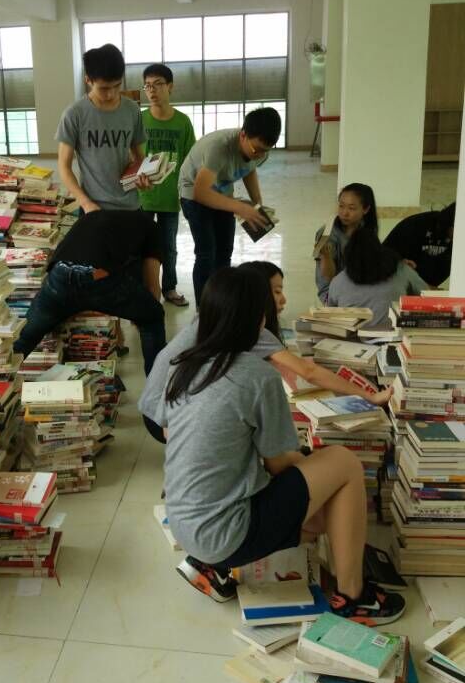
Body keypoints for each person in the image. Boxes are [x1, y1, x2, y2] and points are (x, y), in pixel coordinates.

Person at [162, 266, 405, 624]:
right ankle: (354, 597)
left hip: (186, 526)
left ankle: (216, 566)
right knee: (344, 464)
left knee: (328, 506)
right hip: (226, 535)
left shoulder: (183, 365)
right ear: (258, 318)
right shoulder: (256, 376)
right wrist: (314, 460)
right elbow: (279, 465)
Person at [139, 259, 392, 444]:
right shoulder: (246, 325)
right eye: (276, 291)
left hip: (157, 409)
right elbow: (308, 372)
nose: (283, 300)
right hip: (163, 421)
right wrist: (370, 396)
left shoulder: (219, 314)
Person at [13, 210, 165, 376]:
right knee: (153, 317)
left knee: (27, 336)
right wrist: (143, 312)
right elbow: (152, 285)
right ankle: (157, 384)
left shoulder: (96, 216)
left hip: (60, 273)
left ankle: (1, 380)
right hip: (98, 277)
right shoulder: (153, 229)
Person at [178, 107, 281, 304]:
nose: (259, 155)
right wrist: (240, 207)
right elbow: (201, 193)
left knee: (225, 252)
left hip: (222, 191)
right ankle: (203, 309)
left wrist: (257, 203)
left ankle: (221, 303)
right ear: (243, 135)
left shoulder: (259, 151)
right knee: (206, 252)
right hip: (193, 192)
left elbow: (249, 168)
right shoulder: (219, 148)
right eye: (256, 149)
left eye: (265, 151)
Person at [55, 43, 148, 213]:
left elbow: (139, 158)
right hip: (93, 207)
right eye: (104, 88)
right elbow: (64, 166)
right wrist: (85, 203)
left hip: (131, 206)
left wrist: (144, 176)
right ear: (88, 80)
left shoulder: (132, 110)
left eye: (117, 85)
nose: (111, 94)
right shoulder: (74, 114)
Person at [138, 64, 196, 307]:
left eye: (158, 84)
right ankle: (142, 289)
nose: (152, 90)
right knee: (140, 245)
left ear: (170, 87)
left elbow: (190, 160)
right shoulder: (139, 119)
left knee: (169, 247)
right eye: (147, 86)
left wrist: (187, 193)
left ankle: (169, 288)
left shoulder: (182, 122)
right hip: (142, 195)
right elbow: (130, 157)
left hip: (170, 196)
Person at [328, 228, 429, 329]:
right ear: (380, 250)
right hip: (393, 335)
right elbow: (427, 296)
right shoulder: (401, 269)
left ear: (348, 256)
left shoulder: (337, 282)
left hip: (352, 337)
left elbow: (329, 317)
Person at [315, 183, 378, 303]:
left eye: (351, 208)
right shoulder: (327, 233)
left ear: (366, 209)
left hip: (358, 286)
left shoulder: (366, 229)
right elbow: (329, 277)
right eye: (341, 206)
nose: (344, 213)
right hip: (332, 291)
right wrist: (326, 256)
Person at [383, 202, 456, 287]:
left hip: (426, 287)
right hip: (395, 283)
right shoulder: (416, 225)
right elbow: (384, 257)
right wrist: (398, 265)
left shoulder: (456, 241)